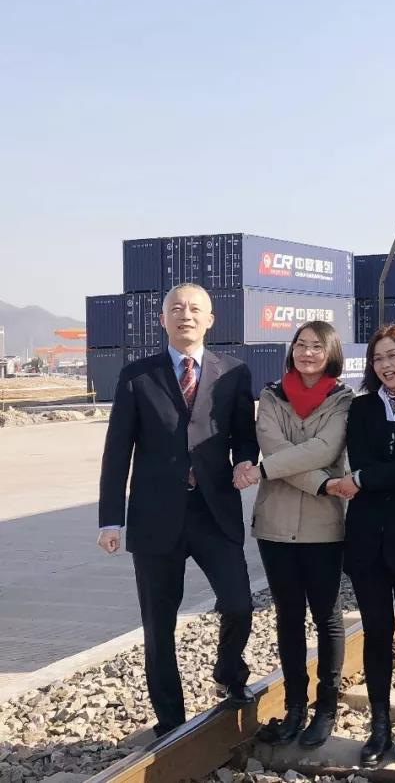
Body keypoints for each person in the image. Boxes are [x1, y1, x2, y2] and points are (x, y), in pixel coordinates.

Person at [97, 283, 258, 738]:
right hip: (155, 517)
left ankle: (229, 671)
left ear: (210, 320)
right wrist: (111, 519)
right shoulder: (137, 376)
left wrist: (245, 460)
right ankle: (170, 720)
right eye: (176, 308)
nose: (185, 315)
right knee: (158, 624)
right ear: (163, 319)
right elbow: (117, 453)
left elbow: (244, 435)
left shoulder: (234, 372)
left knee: (239, 603)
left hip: (213, 511)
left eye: (195, 309)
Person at [324, 324, 395, 767]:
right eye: (378, 358)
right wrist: (384, 475)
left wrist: (366, 479)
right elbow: (373, 460)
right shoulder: (361, 408)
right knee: (375, 633)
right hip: (367, 540)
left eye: (393, 355)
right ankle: (379, 725)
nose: (386, 365)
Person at [233, 321, 352, 748]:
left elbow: (325, 449)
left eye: (316, 346)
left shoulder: (343, 399)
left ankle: (326, 709)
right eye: (300, 344)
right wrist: (322, 483)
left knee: (327, 617)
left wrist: (266, 470)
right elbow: (273, 446)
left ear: (330, 352)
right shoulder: (271, 396)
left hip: (323, 528)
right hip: (276, 526)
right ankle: (295, 707)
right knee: (288, 617)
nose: (307, 352)